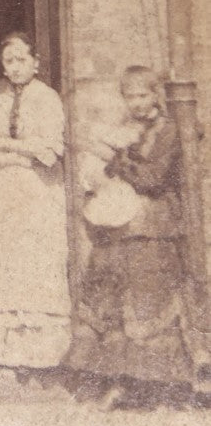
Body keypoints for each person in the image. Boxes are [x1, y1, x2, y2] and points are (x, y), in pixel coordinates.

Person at [66, 66, 195, 408]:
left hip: (153, 225)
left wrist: (115, 158)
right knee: (112, 301)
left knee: (148, 304)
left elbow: (153, 178)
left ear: (156, 95)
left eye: (143, 95)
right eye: (130, 96)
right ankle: (118, 381)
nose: (137, 103)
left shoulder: (168, 130)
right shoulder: (123, 129)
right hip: (119, 226)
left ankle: (159, 387)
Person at [0, 32, 70, 369]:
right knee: (5, 259)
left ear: (36, 62)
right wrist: (18, 153)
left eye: (21, 60)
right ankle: (3, 350)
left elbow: (50, 152)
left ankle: (40, 351)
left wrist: (7, 145)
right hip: (7, 189)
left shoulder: (48, 100)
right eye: (8, 62)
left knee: (36, 259)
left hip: (39, 191)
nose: (14, 68)